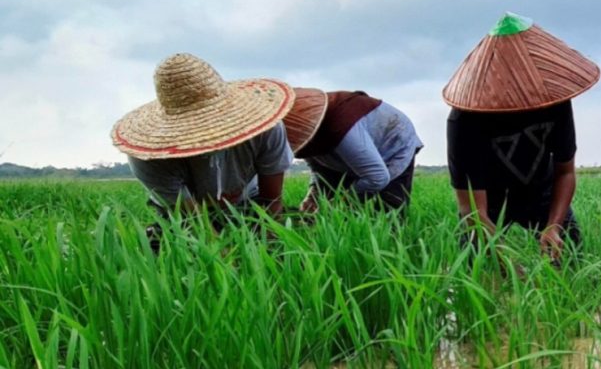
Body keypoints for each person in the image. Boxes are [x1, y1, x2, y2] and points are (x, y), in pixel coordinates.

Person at [443, 13, 600, 260]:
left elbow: (565, 171)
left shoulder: (554, 102)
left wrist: (554, 226)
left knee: (571, 254)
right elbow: (471, 211)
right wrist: (509, 263)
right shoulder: (465, 120)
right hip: (488, 198)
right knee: (477, 263)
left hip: (540, 189)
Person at [111, 53, 294, 247]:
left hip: (247, 205)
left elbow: (272, 199)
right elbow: (199, 226)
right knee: (165, 250)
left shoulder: (266, 130)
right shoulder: (150, 159)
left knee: (284, 239)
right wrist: (226, 266)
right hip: (184, 216)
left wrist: (269, 241)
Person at [283, 88, 423, 212]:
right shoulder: (304, 134)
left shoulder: (342, 128)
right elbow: (318, 167)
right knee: (324, 205)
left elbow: (377, 177)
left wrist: (342, 203)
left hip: (391, 144)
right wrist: (314, 194)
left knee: (390, 208)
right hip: (343, 151)